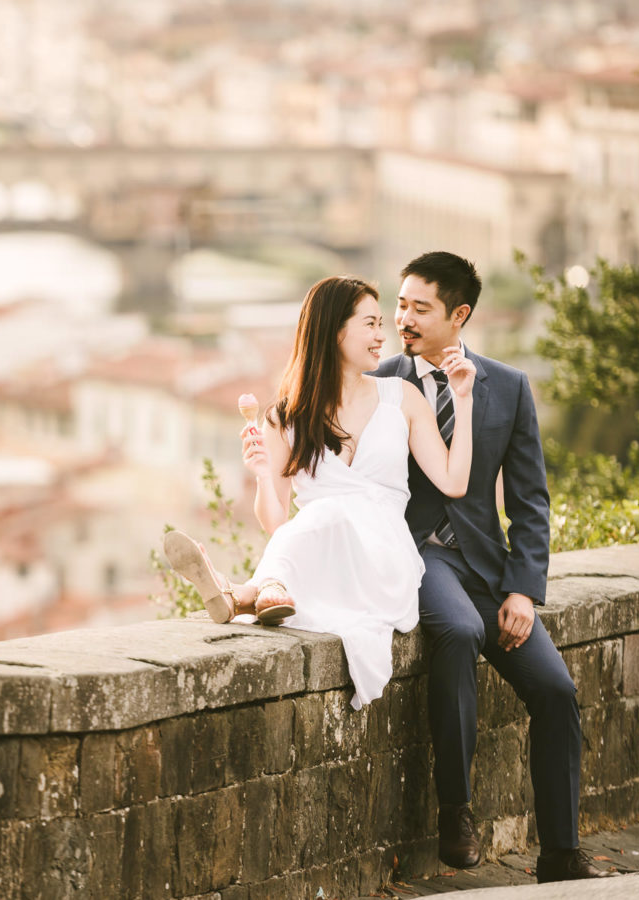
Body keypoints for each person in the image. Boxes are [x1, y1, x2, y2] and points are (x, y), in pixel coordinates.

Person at [374, 251, 615, 884]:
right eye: (400, 304)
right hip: (415, 555)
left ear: (459, 315)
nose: (403, 319)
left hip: (486, 568)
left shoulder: (507, 386)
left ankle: (560, 854)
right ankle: (456, 810)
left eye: (420, 308)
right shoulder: (378, 383)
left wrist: (523, 591)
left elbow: (531, 501)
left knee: (556, 691)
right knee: (457, 630)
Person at [164, 274, 475, 710]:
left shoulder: (401, 398)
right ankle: (250, 594)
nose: (381, 335)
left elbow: (453, 482)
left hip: (383, 560)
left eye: (380, 323)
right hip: (324, 558)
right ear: (334, 330)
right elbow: (276, 522)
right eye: (369, 324)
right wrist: (261, 473)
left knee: (327, 512)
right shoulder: (286, 417)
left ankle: (245, 591)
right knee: (323, 514)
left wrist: (463, 398)